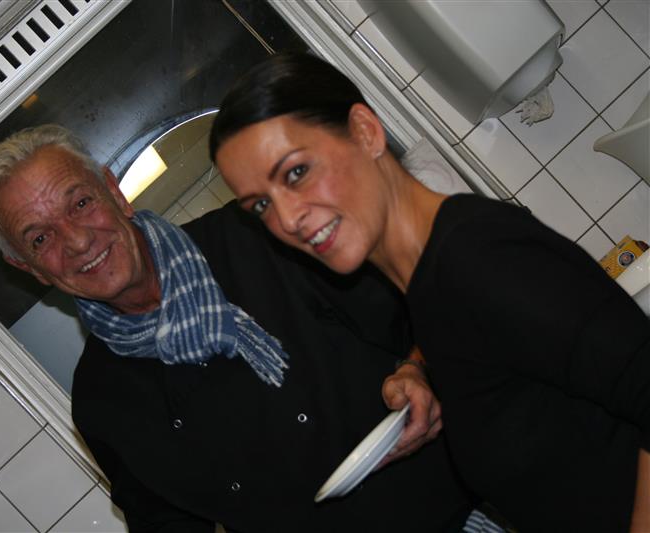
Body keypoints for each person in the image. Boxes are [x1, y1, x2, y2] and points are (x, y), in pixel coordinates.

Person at [210, 53, 650, 533]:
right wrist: (417, 369)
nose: (287, 218)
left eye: (296, 173)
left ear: (365, 132)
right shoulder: (427, 287)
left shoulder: (474, 256)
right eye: (260, 206)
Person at [0, 125, 481, 531]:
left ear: (114, 192)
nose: (77, 241)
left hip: (458, 509)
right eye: (40, 239)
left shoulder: (262, 235)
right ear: (28, 268)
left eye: (80, 203)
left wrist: (418, 369)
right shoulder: (101, 401)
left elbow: (428, 297)